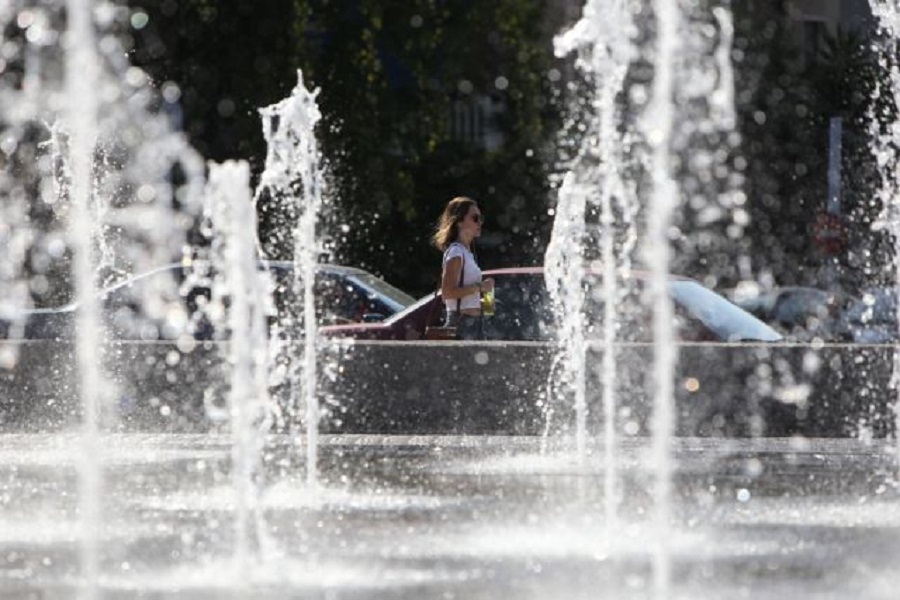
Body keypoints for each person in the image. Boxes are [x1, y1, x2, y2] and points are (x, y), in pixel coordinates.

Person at [432, 196, 494, 340]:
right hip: (461, 324)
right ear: (459, 221)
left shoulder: (468, 254)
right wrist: (480, 287)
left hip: (477, 324)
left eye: (480, 218)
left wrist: (488, 297)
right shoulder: (456, 252)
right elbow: (447, 293)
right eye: (475, 218)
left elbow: (487, 308)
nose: (480, 223)